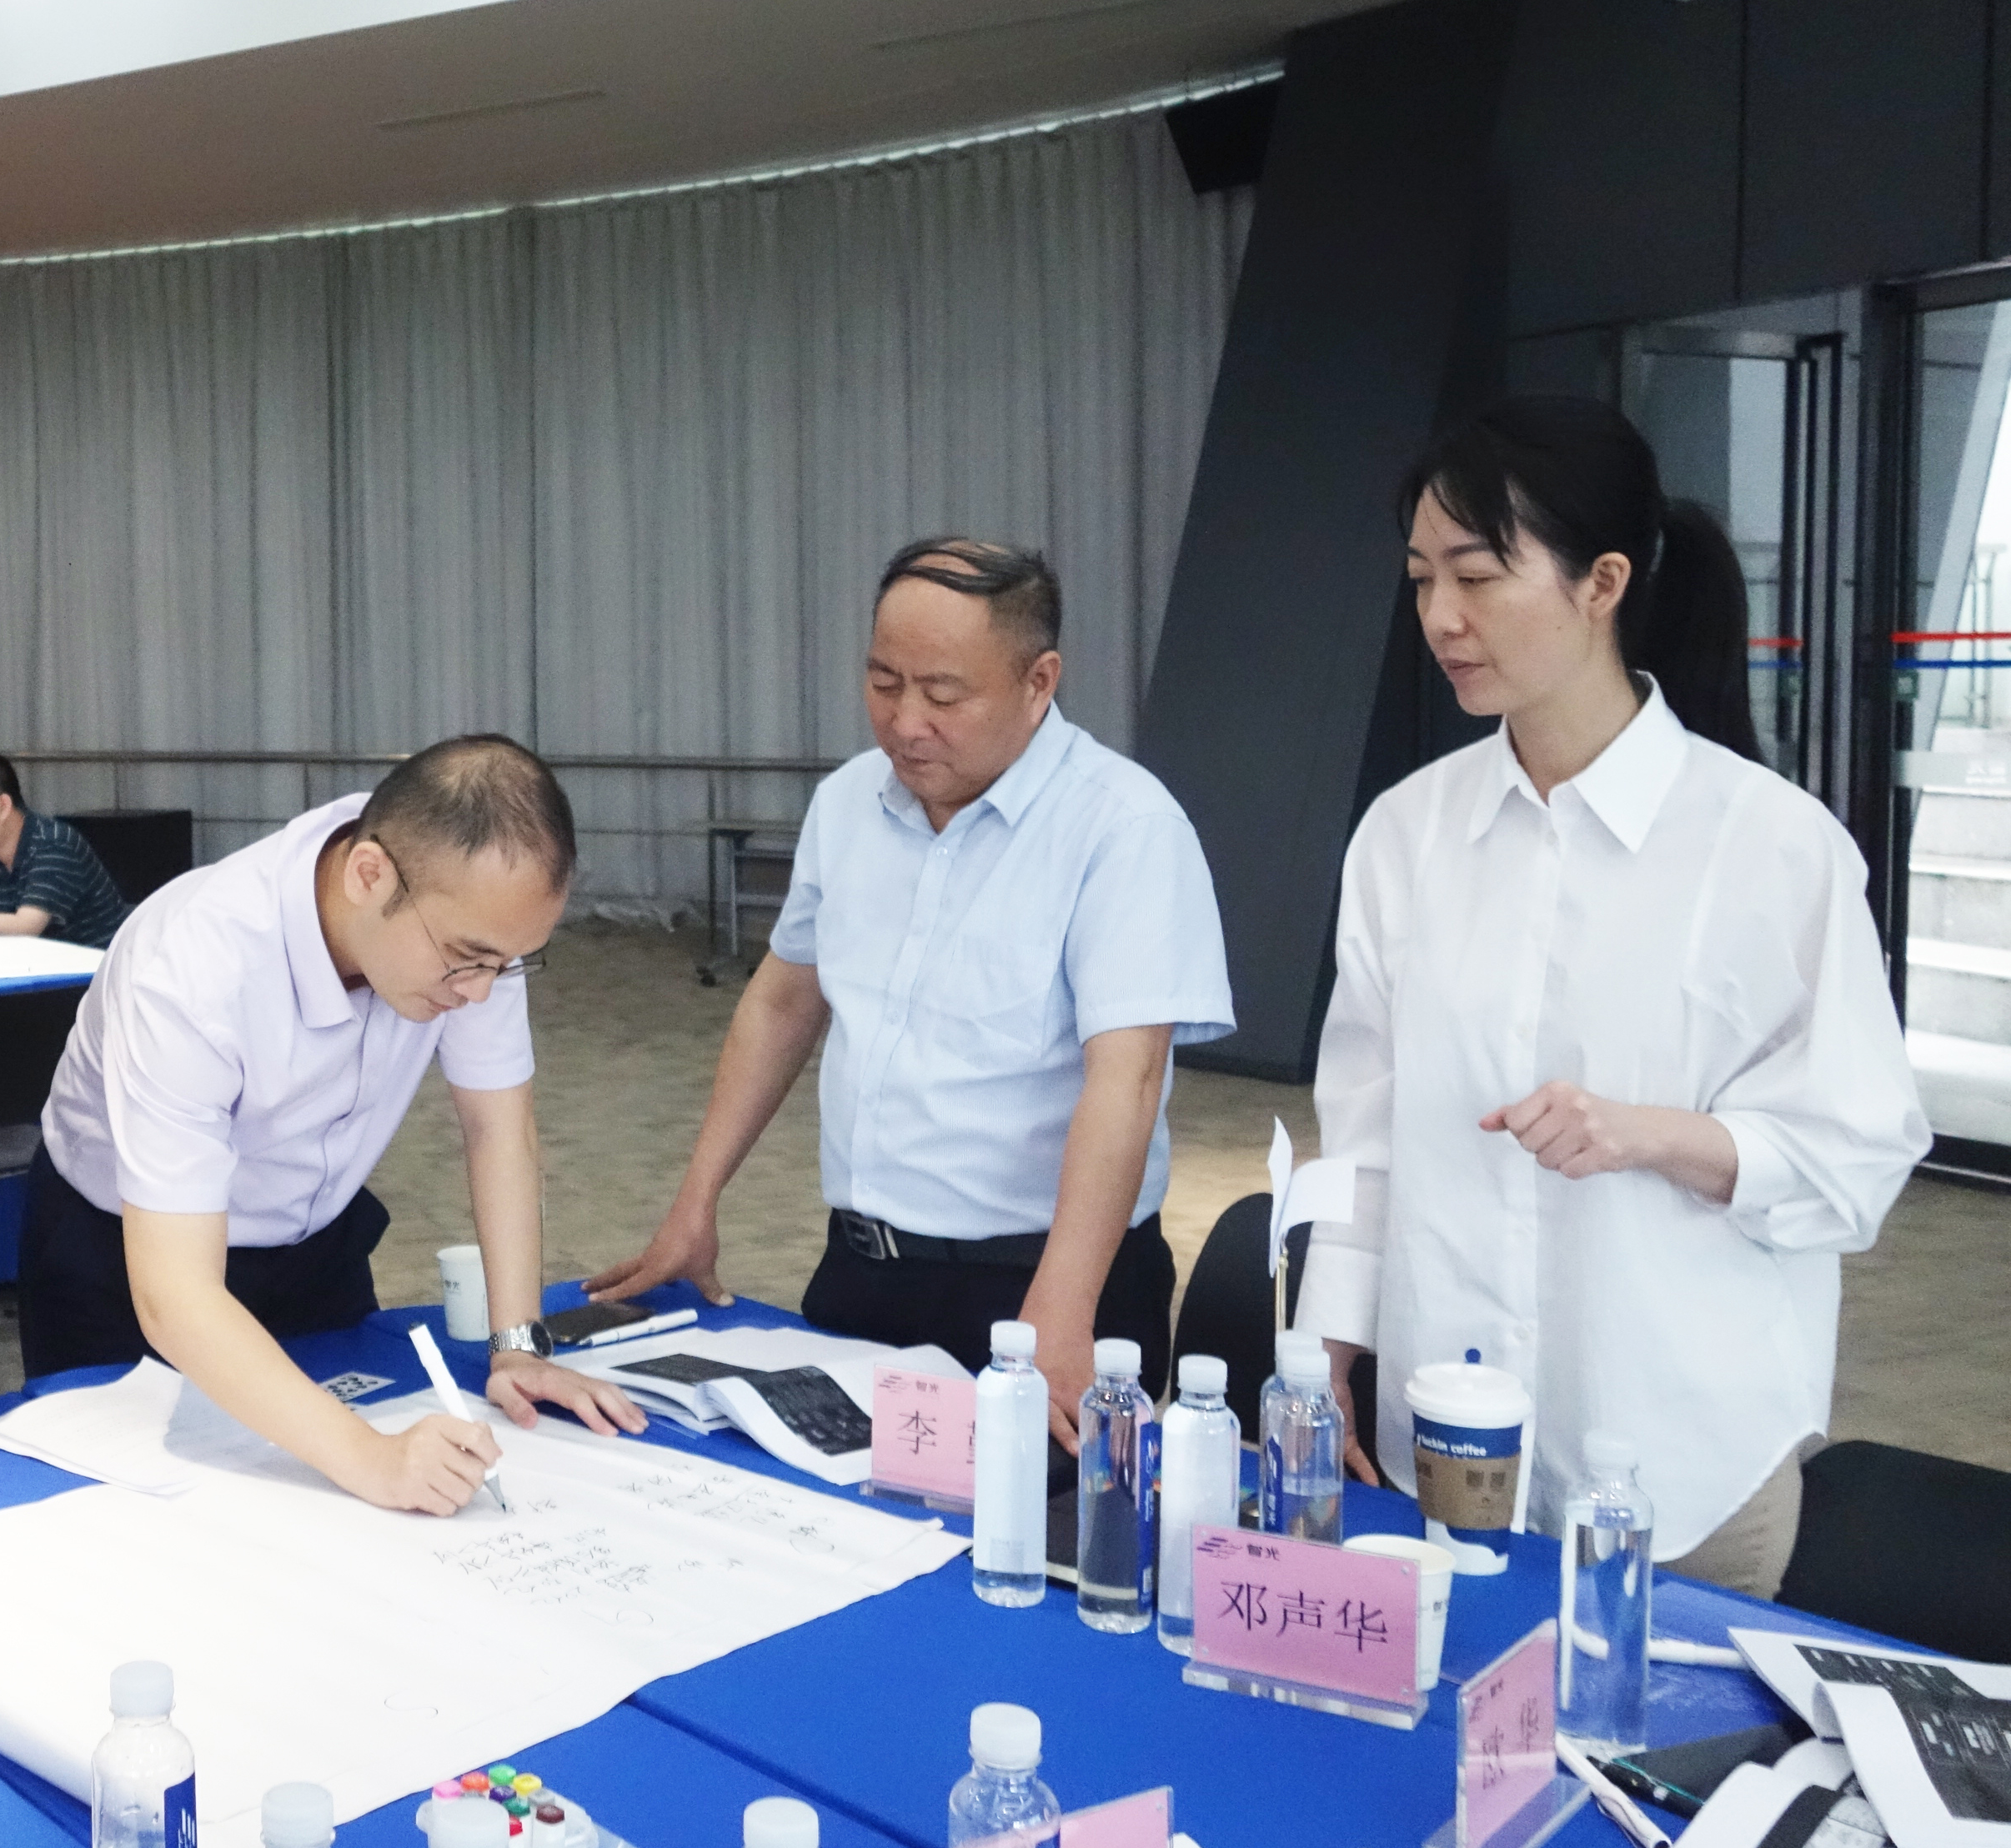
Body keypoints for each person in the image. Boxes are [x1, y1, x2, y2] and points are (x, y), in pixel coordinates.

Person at [1298, 396, 1926, 1597]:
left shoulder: (1770, 845)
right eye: (1422, 578)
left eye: (1477, 576)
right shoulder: (1404, 836)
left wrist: (1651, 1135)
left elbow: (1857, 1158)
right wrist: (1325, 1348)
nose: (1441, 617)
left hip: (1680, 1465)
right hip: (1447, 1444)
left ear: (1603, 582)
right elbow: (1365, 1133)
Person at [588, 539, 1232, 1446]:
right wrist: (698, 1199)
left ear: (1039, 682)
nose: (904, 721)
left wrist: (1063, 1305)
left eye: (943, 693)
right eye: (883, 682)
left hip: (1044, 1288)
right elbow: (783, 1002)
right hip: (864, 1271)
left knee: (1029, 1528)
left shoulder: (1124, 829)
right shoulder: (849, 803)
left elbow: (1126, 1082)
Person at [23, 735, 647, 1515]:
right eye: (469, 960)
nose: (482, 993)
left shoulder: (465, 917)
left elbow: (499, 1131)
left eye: (508, 963)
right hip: (124, 1262)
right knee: (139, 1526)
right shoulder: (193, 965)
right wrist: (371, 1458)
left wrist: (518, 1347)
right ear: (368, 876)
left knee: (334, 1526)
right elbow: (176, 1296)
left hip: (314, 1244)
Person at [0, 752, 133, 949]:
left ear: (3, 806)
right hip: (34, 961)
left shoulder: (55, 842)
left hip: (96, 963)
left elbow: (27, 925)